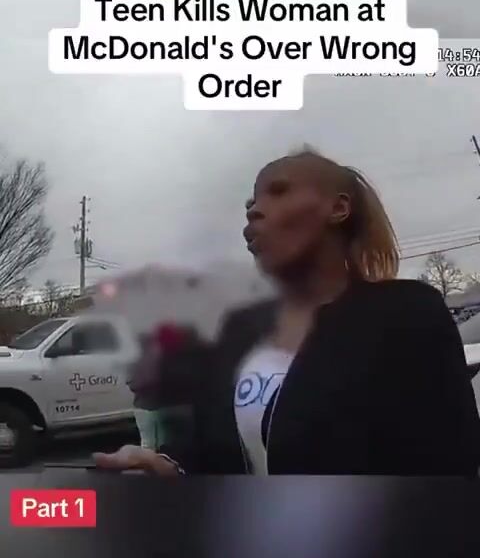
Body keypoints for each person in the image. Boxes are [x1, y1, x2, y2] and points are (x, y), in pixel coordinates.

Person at [95, 149, 480, 476]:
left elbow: (450, 467)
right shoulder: (239, 328)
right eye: (251, 203)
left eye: (278, 192)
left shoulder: (407, 313)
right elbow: (211, 450)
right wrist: (168, 465)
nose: (254, 211)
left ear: (338, 208)